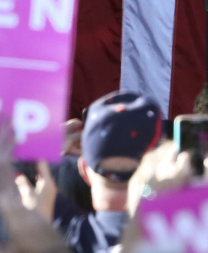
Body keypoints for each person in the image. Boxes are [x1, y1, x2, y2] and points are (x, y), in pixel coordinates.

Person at [57, 91, 162, 253]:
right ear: (159, 168)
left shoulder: (48, 237)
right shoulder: (199, 239)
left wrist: (41, 146)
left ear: (84, 170)